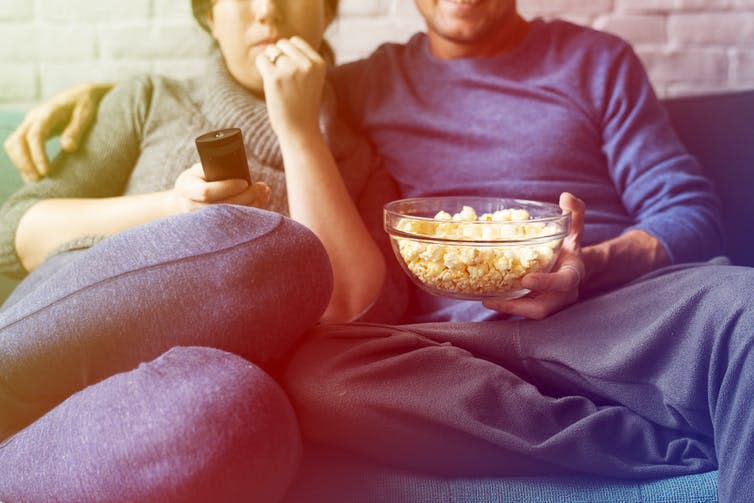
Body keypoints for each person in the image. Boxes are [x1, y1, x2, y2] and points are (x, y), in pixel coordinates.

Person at [8, 1, 754, 503]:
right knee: (312, 375)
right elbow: (254, 79)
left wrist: (591, 262)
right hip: (451, 343)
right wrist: (101, 95)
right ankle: (658, 443)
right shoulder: (365, 87)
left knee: (745, 310)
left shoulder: (597, 62)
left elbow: (690, 212)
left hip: (611, 308)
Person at [0, 0, 407, 501]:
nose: (267, 12)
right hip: (56, 327)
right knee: (274, 253)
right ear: (208, 17)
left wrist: (299, 133)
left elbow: (352, 311)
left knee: (240, 412)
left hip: (145, 403)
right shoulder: (149, 99)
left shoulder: (360, 159)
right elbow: (15, 234)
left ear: (327, 13)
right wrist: (170, 210)